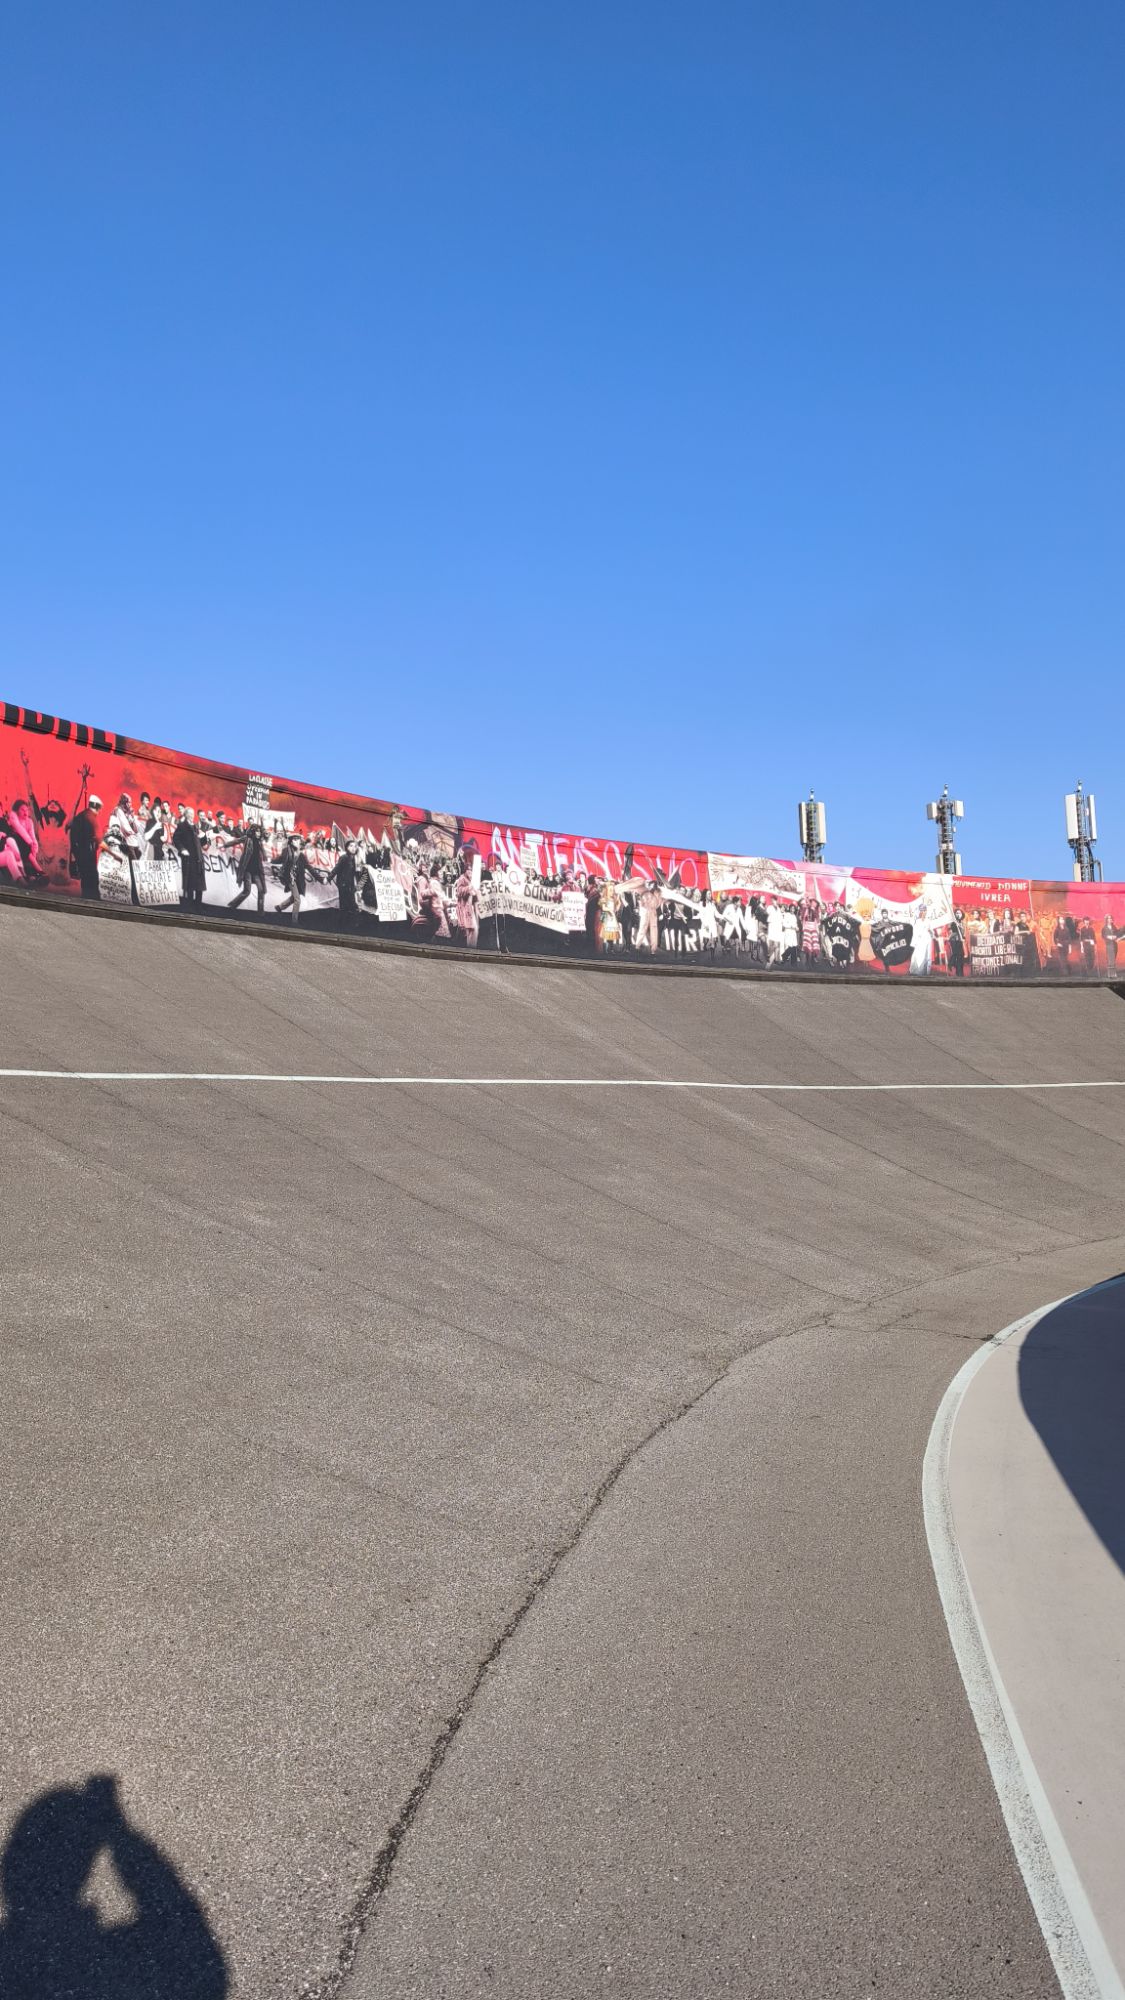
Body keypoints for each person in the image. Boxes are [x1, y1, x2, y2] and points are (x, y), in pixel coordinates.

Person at [276, 834, 319, 924]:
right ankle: (294, 921)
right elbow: (280, 859)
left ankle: (280, 907)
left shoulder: (301, 855)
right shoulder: (286, 851)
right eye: (295, 840)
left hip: (297, 879)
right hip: (289, 877)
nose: (297, 841)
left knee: (294, 897)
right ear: (291, 842)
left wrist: (319, 878)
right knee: (297, 899)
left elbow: (309, 867)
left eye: (298, 840)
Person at [228, 821, 270, 914]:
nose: (259, 833)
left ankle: (260, 911)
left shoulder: (260, 841)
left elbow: (267, 836)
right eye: (257, 831)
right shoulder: (247, 839)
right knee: (247, 891)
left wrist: (262, 826)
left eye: (260, 832)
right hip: (247, 870)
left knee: (261, 890)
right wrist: (224, 845)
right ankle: (232, 906)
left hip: (257, 870)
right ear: (253, 831)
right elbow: (236, 841)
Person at [68, 793, 103, 899]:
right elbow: (99, 839)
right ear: (96, 807)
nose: (99, 812)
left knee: (85, 881)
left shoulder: (80, 816)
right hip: (88, 855)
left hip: (80, 854)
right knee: (92, 880)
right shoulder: (91, 818)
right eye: (99, 809)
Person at [172, 806, 207, 911]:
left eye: (193, 814)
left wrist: (204, 836)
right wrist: (182, 849)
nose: (192, 816)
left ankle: (198, 906)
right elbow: (175, 838)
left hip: (199, 860)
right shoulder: (182, 826)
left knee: (199, 885)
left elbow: (203, 843)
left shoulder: (196, 827)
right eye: (190, 814)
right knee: (190, 885)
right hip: (189, 860)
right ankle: (190, 907)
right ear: (186, 814)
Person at [453, 856, 480, 948]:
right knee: (471, 929)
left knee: (471, 929)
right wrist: (469, 888)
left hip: (471, 907)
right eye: (468, 870)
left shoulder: (471, 880)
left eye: (471, 870)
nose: (470, 872)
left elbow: (475, 894)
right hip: (464, 907)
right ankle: (470, 947)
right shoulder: (462, 879)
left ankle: (470, 947)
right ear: (465, 871)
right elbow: (459, 891)